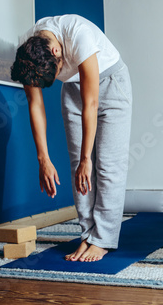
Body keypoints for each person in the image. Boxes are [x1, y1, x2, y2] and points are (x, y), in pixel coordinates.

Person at [10, 14, 132, 262]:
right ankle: (88, 236)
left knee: (107, 166)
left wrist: (88, 157)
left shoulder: (79, 34)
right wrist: (43, 159)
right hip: (74, 90)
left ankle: (103, 239)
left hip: (110, 84)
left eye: (55, 74)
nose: (56, 77)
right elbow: (35, 105)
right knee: (78, 168)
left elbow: (92, 103)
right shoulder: (28, 53)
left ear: (56, 50)